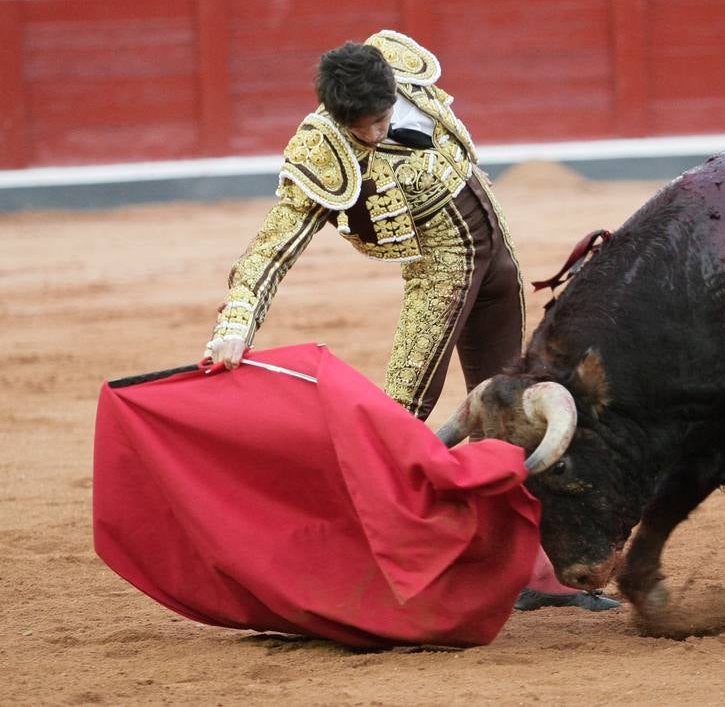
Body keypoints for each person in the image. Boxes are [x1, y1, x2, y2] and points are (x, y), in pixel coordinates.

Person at [204, 32, 620, 613]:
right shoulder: (322, 150)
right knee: (399, 420)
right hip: (440, 277)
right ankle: (357, 568)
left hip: (499, 263)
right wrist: (237, 323)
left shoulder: (405, 71)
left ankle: (536, 574)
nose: (373, 135)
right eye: (361, 129)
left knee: (510, 409)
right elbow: (275, 245)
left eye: (379, 120)